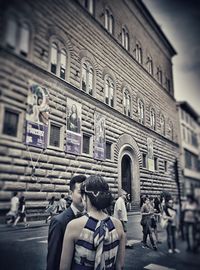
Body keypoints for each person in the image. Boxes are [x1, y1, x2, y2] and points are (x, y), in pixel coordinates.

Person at [60, 175, 125, 270]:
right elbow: (120, 266)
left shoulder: (73, 226)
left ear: (85, 197)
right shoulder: (118, 225)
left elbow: (64, 268)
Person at [46, 175, 86, 270]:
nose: (84, 197)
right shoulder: (59, 222)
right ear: (70, 193)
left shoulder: (91, 216)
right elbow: (53, 259)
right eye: (81, 193)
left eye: (86, 193)